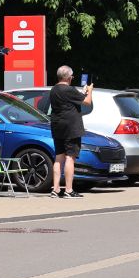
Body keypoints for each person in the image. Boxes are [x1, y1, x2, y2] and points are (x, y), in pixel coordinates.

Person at [49, 65, 93, 198]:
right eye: (72, 76)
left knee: (59, 157)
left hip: (57, 125)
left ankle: (55, 189)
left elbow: (72, 100)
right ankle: (68, 190)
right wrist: (90, 91)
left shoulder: (53, 90)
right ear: (68, 77)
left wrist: (82, 93)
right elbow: (87, 102)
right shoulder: (69, 89)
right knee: (70, 157)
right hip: (71, 127)